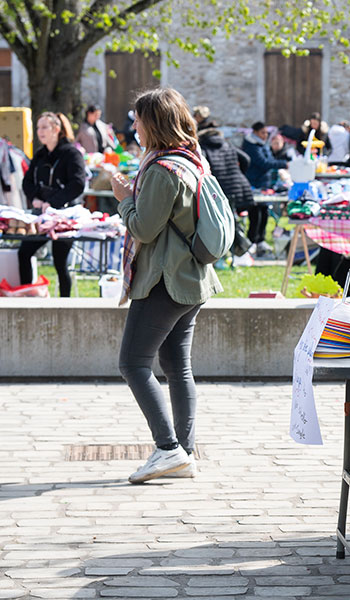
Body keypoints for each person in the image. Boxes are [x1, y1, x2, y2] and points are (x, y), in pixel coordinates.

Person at [110, 87, 223, 484]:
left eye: (137, 118)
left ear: (153, 122)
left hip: (164, 279)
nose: (133, 125)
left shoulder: (161, 170)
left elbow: (142, 226)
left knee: (133, 363)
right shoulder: (191, 160)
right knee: (177, 365)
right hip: (191, 278)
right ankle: (183, 453)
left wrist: (123, 198)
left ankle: (168, 448)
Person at [18, 112, 86, 297]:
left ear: (56, 129)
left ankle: (64, 303)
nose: (40, 131)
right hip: (41, 215)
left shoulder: (71, 153)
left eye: (44, 127)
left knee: (59, 262)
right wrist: (35, 198)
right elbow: (27, 182)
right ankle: (27, 300)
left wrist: (53, 202)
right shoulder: (40, 155)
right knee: (24, 252)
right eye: (38, 127)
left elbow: (78, 184)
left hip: (65, 216)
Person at [241, 121, 286, 252]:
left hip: (265, 184)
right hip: (254, 183)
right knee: (255, 214)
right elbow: (264, 163)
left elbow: (271, 160)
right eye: (262, 132)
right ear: (255, 132)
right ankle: (252, 241)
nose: (265, 135)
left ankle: (261, 239)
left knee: (265, 213)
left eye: (266, 133)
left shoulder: (263, 145)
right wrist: (284, 164)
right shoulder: (251, 146)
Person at [198, 119, 253, 215]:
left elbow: (202, 165)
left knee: (223, 220)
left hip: (219, 187)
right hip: (238, 185)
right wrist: (239, 173)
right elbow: (246, 159)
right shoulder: (227, 144)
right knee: (232, 219)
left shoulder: (203, 147)